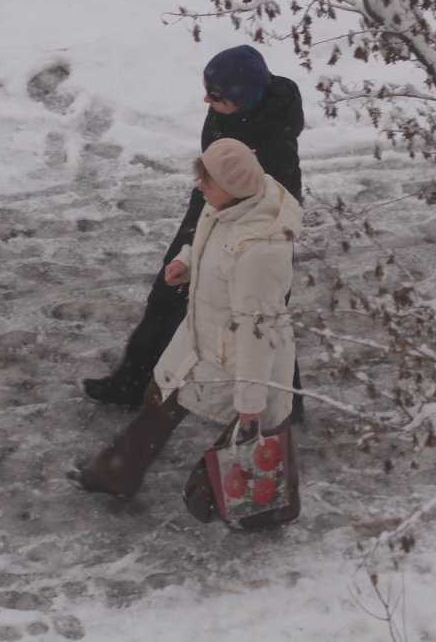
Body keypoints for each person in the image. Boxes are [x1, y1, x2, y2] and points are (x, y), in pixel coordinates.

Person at [70, 138, 302, 502]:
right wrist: (187, 261)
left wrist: (251, 403)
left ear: (230, 188)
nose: (199, 188)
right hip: (200, 340)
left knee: (261, 435)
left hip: (239, 360)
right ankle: (113, 475)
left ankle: (263, 510)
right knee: (158, 399)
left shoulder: (261, 252)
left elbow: (259, 331)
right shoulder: (229, 205)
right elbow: (215, 246)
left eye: (206, 182)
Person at [81, 45, 306, 418]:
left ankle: (282, 404)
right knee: (170, 293)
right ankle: (133, 382)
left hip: (241, 228)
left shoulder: (274, 147)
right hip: (208, 206)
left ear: (243, 98)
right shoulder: (230, 108)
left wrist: (228, 245)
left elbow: (279, 210)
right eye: (206, 88)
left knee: (260, 314)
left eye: (215, 95)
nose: (206, 99)